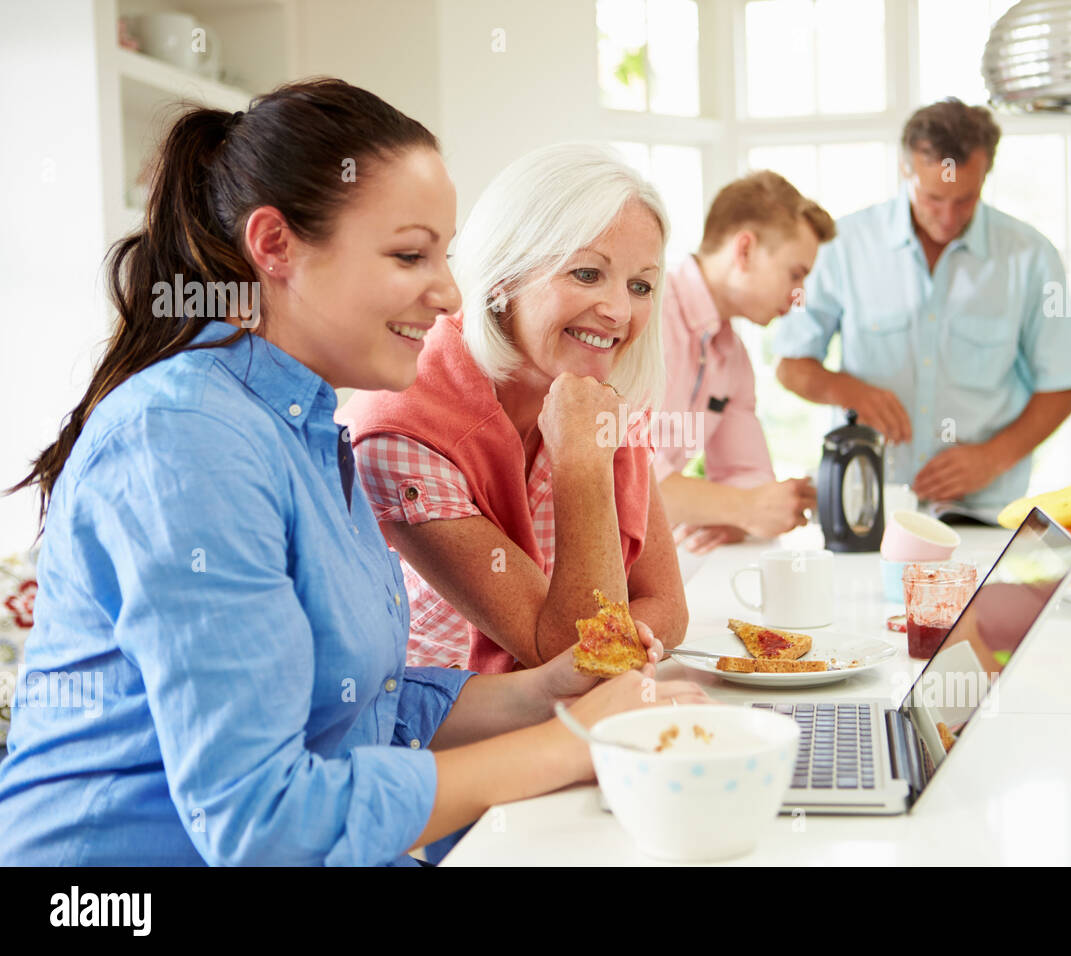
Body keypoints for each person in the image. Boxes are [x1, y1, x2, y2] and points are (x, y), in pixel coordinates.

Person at [0, 80, 707, 866]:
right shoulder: (183, 440)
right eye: (411, 255)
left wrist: (545, 693)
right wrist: (571, 745)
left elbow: (365, 707)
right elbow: (266, 823)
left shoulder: (302, 429)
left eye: (442, 255)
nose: (447, 295)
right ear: (275, 248)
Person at [342, 144, 688, 672]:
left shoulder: (595, 394)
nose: (619, 311)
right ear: (505, 278)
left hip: (558, 715)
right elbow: (570, 654)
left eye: (640, 285)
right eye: (588, 274)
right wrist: (582, 461)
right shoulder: (401, 430)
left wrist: (622, 640)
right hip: (440, 730)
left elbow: (667, 606)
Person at [773, 99, 1071, 514]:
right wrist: (848, 390)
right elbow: (791, 365)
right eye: (934, 197)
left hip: (984, 513)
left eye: (965, 199)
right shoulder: (842, 246)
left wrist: (993, 457)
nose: (947, 216)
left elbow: (1063, 382)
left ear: (985, 174)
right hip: (869, 508)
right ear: (906, 169)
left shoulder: (1031, 256)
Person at [656, 171, 832, 555]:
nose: (799, 294)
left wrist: (752, 508)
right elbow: (620, 480)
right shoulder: (643, 314)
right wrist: (743, 508)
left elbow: (749, 478)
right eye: (796, 274)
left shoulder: (733, 358)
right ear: (745, 250)